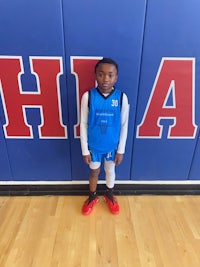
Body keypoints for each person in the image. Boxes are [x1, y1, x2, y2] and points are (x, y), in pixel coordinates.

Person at [80, 58, 129, 215]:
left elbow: (124, 126)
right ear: (95, 75)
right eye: (101, 74)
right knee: (94, 172)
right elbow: (83, 124)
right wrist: (84, 150)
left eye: (110, 75)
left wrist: (120, 150)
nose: (105, 79)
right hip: (94, 146)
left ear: (116, 77)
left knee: (110, 170)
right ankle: (92, 196)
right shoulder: (88, 97)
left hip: (111, 146)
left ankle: (109, 194)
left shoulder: (121, 98)